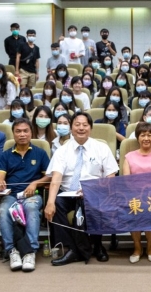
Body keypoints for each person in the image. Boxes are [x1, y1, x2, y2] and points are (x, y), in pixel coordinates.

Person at [45, 112, 119, 266]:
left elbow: (111, 176)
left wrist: (92, 189)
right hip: (67, 193)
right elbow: (56, 179)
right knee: (56, 204)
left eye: (85, 125)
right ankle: (72, 247)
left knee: (89, 203)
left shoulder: (101, 148)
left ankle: (95, 246)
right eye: (77, 124)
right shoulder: (62, 151)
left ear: (90, 128)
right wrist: (50, 202)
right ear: (71, 128)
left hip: (93, 191)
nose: (81, 128)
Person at [0, 119, 52, 271]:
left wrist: (35, 183)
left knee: (31, 207)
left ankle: (30, 251)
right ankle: (11, 250)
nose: (22, 134)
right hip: (11, 195)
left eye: (25, 131)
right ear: (13, 134)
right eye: (18, 131)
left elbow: (49, 176)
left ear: (31, 133)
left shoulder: (40, 153)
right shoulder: (6, 155)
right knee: (3, 210)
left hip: (32, 195)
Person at [121, 121, 151, 263]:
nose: (146, 138)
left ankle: (150, 247)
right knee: (134, 207)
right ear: (137, 137)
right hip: (134, 194)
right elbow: (126, 180)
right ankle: (137, 247)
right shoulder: (129, 156)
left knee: (149, 208)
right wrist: (139, 194)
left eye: (149, 135)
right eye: (143, 135)